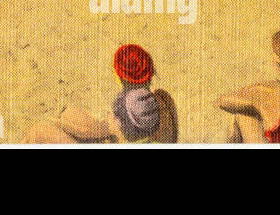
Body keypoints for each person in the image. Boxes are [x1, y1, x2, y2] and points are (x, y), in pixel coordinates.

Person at [24, 44, 176, 144]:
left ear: (121, 75)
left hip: (109, 139)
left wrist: (60, 124)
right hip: (117, 137)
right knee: (69, 113)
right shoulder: (150, 100)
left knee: (38, 131)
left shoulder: (129, 105)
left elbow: (100, 133)